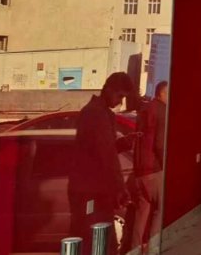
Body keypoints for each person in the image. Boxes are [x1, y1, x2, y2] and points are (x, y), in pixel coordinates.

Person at [68, 72, 135, 255]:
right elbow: (106, 155)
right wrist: (120, 188)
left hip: (90, 189)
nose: (120, 102)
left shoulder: (97, 112)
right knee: (94, 240)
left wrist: (122, 144)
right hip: (91, 190)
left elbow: (99, 150)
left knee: (92, 239)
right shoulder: (97, 114)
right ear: (109, 90)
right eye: (120, 96)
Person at [130, 81, 168, 254]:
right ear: (162, 94)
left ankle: (135, 249)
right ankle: (153, 249)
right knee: (160, 210)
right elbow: (160, 144)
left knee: (142, 213)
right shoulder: (162, 111)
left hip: (139, 170)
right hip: (154, 169)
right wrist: (166, 164)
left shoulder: (144, 110)